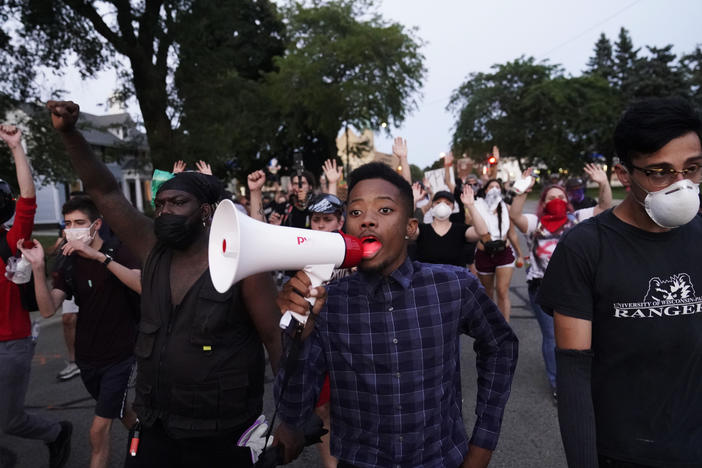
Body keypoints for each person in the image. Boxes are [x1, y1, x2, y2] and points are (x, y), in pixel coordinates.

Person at [46, 100, 282, 468]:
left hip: (225, 432)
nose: (165, 210)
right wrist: (70, 134)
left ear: (204, 211)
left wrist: (294, 419)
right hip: (156, 426)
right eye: (160, 204)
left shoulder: (243, 264)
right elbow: (105, 191)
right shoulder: (151, 247)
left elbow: (275, 339)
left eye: (178, 202)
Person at [273, 162, 518, 467]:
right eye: (356, 212)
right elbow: (293, 409)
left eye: (385, 211)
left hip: (441, 459)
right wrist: (299, 334)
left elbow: (500, 345)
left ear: (410, 228)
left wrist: (483, 441)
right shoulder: (327, 305)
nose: (367, 222)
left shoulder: (454, 286)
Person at [538, 96, 702, 467]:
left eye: (692, 169)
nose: (681, 185)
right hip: (622, 452)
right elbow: (574, 372)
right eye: (660, 171)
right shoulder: (585, 247)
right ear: (624, 175)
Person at [20, 196, 141, 468]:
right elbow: (49, 308)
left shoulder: (118, 250)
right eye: (68, 224)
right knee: (120, 411)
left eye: (79, 223)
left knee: (97, 430)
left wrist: (100, 258)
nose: (72, 229)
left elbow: (142, 285)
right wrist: (39, 269)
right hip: (88, 358)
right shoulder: (69, 261)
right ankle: (141, 431)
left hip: (121, 355)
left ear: (96, 225)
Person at [0, 124, 72, 468]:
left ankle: (56, 432)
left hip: (9, 343)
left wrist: (16, 147)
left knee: (10, 420)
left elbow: (27, 198)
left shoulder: (11, 239)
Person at [509, 164, 612, 401]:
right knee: (551, 337)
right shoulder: (535, 224)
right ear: (543, 203)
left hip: (576, 287)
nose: (556, 199)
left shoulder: (577, 218)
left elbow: (605, 206)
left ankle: (583, 378)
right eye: (551, 197)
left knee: (586, 334)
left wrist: (604, 183)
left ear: (567, 201)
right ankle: (557, 383)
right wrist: (522, 190)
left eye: (560, 196)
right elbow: (514, 216)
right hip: (542, 288)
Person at [473, 179, 523, 321]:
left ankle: (504, 326)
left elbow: (512, 233)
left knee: (502, 291)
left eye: (497, 187)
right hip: (484, 253)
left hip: (504, 253)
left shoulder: (505, 207)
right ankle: (491, 324)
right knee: (488, 292)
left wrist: (519, 254)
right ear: (485, 190)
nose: (495, 189)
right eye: (491, 187)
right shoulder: (477, 206)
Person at [410, 187, 488, 267]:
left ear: (453, 208)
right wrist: (413, 201)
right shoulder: (422, 229)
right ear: (432, 206)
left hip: (456, 278)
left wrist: (471, 206)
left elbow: (483, 232)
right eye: (438, 202)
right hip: (427, 278)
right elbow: (405, 229)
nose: (442, 205)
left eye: (447, 203)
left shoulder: (461, 230)